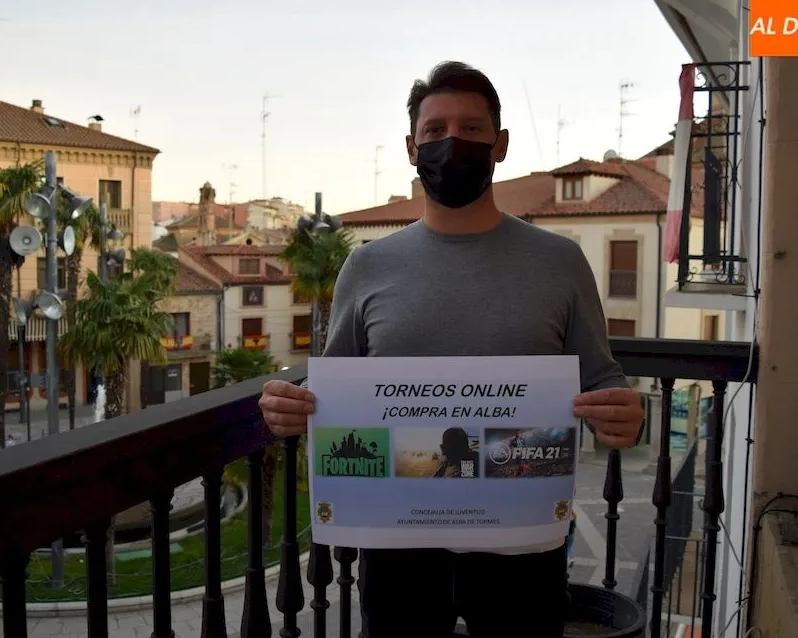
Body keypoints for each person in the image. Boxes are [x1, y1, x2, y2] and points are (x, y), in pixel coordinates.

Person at [258, 61, 646, 638]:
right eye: (435, 131)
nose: (451, 143)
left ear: (501, 145)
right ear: (412, 149)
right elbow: (334, 396)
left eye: (470, 128)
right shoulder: (366, 266)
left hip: (523, 546)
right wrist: (290, 408)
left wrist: (624, 416)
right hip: (397, 547)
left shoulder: (560, 263)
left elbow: (600, 381)